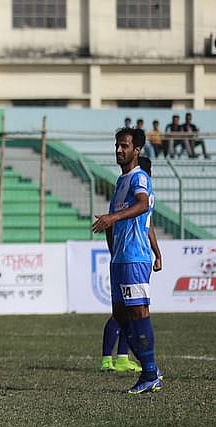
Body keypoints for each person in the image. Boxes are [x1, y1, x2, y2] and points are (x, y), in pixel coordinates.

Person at [92, 127, 162, 394]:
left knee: (138, 313)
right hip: (120, 259)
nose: (119, 150)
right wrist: (112, 249)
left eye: (124, 146)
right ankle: (149, 369)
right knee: (121, 316)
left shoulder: (139, 178)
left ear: (137, 150)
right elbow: (112, 224)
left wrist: (112, 218)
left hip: (135, 257)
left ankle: (150, 373)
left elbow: (144, 206)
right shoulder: (121, 183)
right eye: (117, 146)